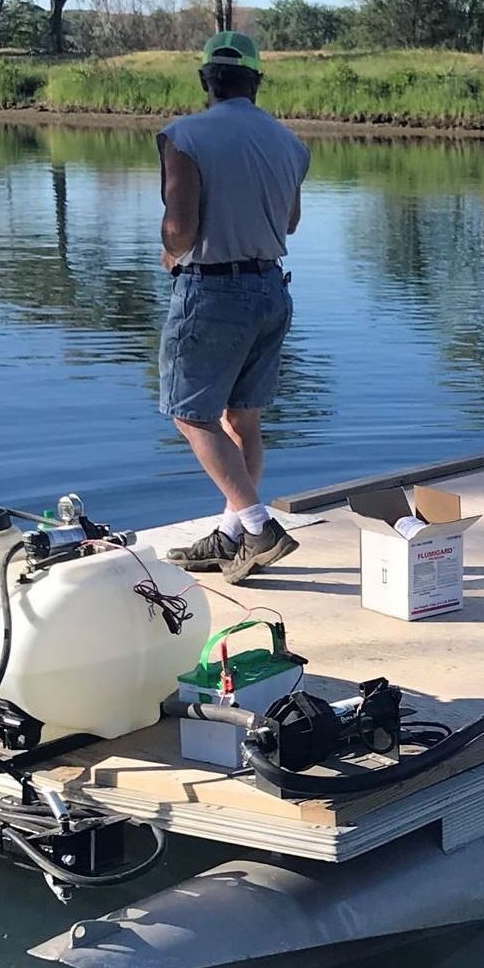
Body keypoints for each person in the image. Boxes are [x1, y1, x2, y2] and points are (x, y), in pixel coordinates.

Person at [157, 32, 309, 581]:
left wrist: (170, 251)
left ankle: (257, 525)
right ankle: (231, 535)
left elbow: (179, 227)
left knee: (191, 414)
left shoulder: (184, 135)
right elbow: (289, 221)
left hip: (212, 290)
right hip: (271, 288)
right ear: (256, 81)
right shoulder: (290, 143)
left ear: (206, 80)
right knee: (242, 418)